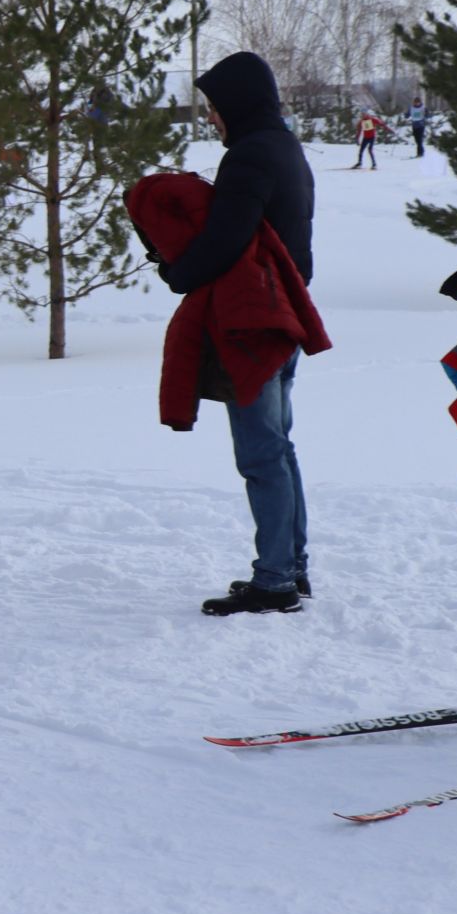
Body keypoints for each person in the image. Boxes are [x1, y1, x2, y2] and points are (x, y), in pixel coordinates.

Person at [160, 51, 326, 616]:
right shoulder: (286, 149)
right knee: (279, 449)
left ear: (236, 103)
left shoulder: (251, 156)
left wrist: (176, 272)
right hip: (282, 319)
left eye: (214, 106)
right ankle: (291, 567)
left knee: (261, 455)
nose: (211, 117)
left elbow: (225, 240)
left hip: (253, 325)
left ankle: (276, 579)